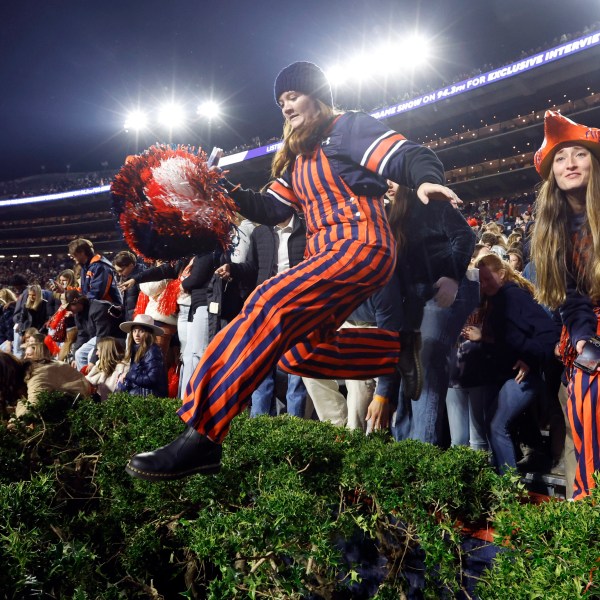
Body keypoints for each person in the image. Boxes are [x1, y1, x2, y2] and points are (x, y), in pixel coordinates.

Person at [125, 60, 459, 481]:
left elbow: (409, 154)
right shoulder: (296, 158)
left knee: (267, 300)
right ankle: (394, 350)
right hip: (325, 254)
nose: (285, 106)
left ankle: (203, 437)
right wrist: (219, 188)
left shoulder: (348, 128)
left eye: (293, 96)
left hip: (362, 244)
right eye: (281, 100)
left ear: (318, 96)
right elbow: (270, 209)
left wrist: (425, 180)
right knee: (297, 353)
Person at [530, 110, 600, 500]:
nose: (569, 163)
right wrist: (583, 340)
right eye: (560, 157)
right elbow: (573, 302)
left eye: (579, 154)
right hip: (589, 331)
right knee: (586, 404)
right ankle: (588, 510)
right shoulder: (554, 232)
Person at [469, 253, 558, 474]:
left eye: (488, 279)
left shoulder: (515, 297)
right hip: (504, 374)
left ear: (501, 274)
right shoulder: (495, 300)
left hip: (523, 377)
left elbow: (548, 334)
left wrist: (529, 359)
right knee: (495, 425)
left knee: (497, 426)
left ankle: (508, 489)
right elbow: (506, 340)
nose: (484, 284)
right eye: (481, 280)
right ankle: (504, 485)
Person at [117, 314, 167, 398]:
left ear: (148, 333)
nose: (136, 335)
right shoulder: (136, 349)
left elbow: (151, 379)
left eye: (141, 331)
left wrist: (128, 375)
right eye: (134, 331)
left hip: (148, 399)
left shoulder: (153, 351)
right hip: (139, 396)